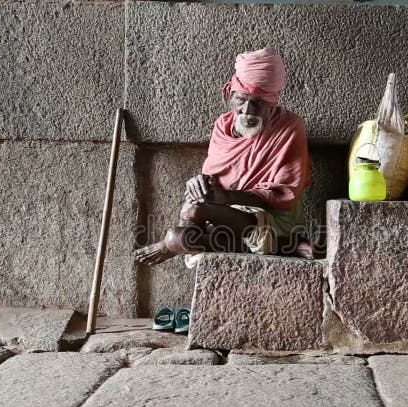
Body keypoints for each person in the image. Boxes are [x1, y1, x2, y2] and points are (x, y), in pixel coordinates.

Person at [133, 48, 313, 266]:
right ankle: (284, 246)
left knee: (181, 229)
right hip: (223, 214)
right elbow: (214, 177)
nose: (247, 110)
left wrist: (227, 197)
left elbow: (282, 195)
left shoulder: (290, 126)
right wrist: (200, 183)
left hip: (268, 217)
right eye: (241, 100)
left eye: (257, 103)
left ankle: (171, 244)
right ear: (230, 95)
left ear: (272, 103)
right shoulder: (223, 124)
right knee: (187, 221)